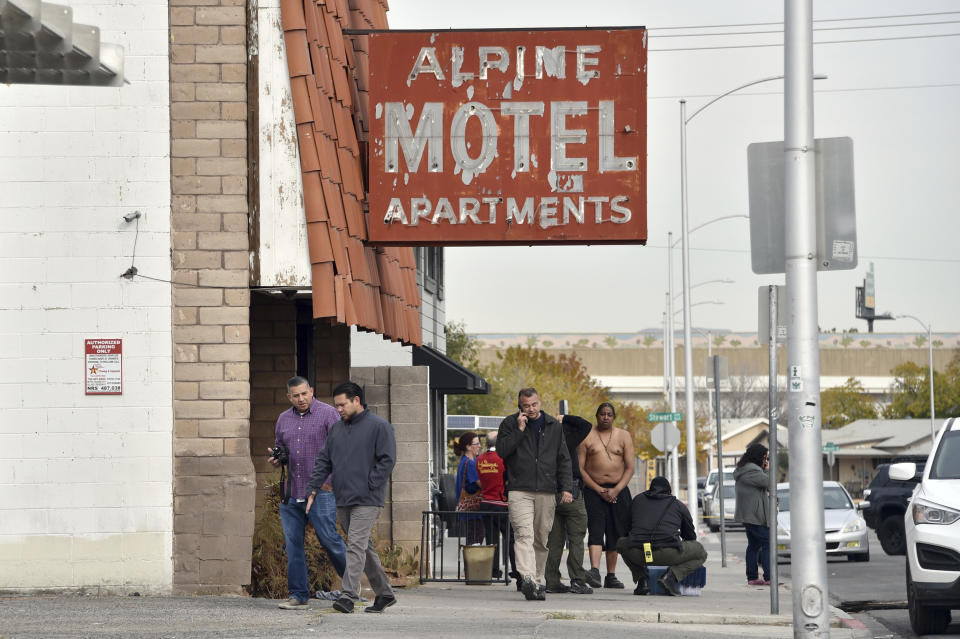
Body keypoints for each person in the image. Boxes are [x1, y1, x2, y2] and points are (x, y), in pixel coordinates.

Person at [306, 381, 397, 614]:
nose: (339, 410)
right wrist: (313, 487)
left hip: (367, 499)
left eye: (342, 405)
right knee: (363, 547)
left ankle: (348, 596)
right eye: (336, 406)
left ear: (357, 401)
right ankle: (385, 593)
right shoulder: (337, 429)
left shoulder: (379, 426)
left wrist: (370, 484)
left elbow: (387, 460)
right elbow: (324, 459)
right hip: (343, 497)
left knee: (355, 546)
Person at [269, 376, 347, 610]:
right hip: (291, 491)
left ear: (311, 391)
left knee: (330, 540)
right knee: (293, 545)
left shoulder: (329, 414)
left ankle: (353, 588)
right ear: (289, 397)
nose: (301, 399)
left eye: (304, 393)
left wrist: (330, 483)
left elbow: (342, 449)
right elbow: (279, 448)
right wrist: (275, 458)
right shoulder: (283, 419)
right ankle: (298, 595)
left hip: (321, 491)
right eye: (296, 395)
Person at [496, 388, 574, 601]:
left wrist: (567, 487)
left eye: (534, 405)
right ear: (520, 407)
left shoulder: (553, 426)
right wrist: (520, 430)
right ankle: (528, 579)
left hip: (546, 490)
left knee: (540, 539)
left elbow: (563, 458)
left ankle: (537, 581)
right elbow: (502, 451)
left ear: (539, 403)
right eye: (526, 406)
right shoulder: (510, 424)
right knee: (523, 535)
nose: (530, 409)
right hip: (519, 489)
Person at [616, 476, 708, 596]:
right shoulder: (677, 505)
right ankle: (671, 577)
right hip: (668, 554)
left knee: (621, 543)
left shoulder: (637, 500)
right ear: (669, 490)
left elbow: (625, 530)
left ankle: (642, 580)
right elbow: (690, 536)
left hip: (641, 553)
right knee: (701, 551)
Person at [579, 402, 635, 589]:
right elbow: (580, 468)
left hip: (618, 491)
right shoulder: (587, 436)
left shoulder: (624, 436)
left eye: (609, 414)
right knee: (595, 529)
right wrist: (598, 489)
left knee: (615, 532)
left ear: (613, 417)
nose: (605, 417)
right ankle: (594, 571)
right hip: (594, 491)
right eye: (602, 414)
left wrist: (617, 489)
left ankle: (611, 575)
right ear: (597, 416)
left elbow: (630, 467)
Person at [544, 413, 594, 595]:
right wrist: (565, 417)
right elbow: (586, 425)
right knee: (576, 539)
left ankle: (552, 581)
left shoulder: (544, 441)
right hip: (571, 492)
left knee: (554, 541)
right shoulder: (567, 440)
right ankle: (578, 580)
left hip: (550, 493)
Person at [476, 431, 516, 580]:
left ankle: (494, 570)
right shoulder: (502, 459)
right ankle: (516, 568)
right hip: (501, 502)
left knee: (491, 538)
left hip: (485, 502)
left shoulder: (479, 459)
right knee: (511, 538)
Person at [734, 443, 772, 586]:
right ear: (758, 457)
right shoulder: (753, 471)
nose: (766, 459)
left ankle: (752, 577)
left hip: (749, 515)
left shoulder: (744, 470)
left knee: (754, 545)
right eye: (765, 457)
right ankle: (769, 577)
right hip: (755, 515)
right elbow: (770, 483)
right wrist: (767, 470)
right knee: (767, 543)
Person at [453, 431, 484, 544]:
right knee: (476, 539)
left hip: (468, 509)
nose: (479, 446)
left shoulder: (466, 461)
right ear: (468, 447)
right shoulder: (469, 463)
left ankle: (471, 561)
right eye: (476, 444)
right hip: (472, 510)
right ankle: (472, 562)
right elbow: (480, 484)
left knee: (473, 538)